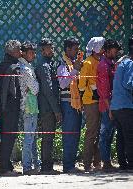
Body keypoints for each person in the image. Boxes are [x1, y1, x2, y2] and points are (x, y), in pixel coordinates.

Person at [57, 36, 83, 173]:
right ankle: (67, 165)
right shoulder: (63, 63)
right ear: (67, 49)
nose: (77, 51)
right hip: (68, 104)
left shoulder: (73, 62)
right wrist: (75, 71)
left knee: (75, 134)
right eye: (75, 49)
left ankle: (71, 163)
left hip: (76, 103)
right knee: (69, 134)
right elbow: (63, 83)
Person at [78, 37, 105, 172]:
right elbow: (82, 83)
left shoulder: (99, 61)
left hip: (100, 101)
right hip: (90, 102)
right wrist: (83, 97)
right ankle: (87, 163)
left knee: (99, 133)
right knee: (91, 132)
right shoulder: (88, 63)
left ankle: (97, 162)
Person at [35, 38, 62, 174]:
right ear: (43, 50)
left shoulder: (48, 64)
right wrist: (56, 110)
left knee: (49, 136)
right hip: (47, 108)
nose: (52, 50)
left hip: (48, 107)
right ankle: (46, 167)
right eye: (49, 48)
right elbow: (48, 90)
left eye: (52, 47)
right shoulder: (44, 66)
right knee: (47, 137)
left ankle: (47, 166)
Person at [0, 40, 22, 176]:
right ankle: (4, 168)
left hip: (9, 106)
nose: (21, 52)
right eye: (18, 50)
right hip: (8, 107)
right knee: (7, 137)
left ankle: (8, 165)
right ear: (12, 51)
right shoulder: (9, 66)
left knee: (11, 136)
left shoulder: (10, 64)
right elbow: (10, 90)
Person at [97, 39, 121, 171]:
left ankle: (107, 161)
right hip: (107, 105)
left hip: (113, 103)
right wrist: (110, 108)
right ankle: (105, 162)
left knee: (110, 133)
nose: (116, 51)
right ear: (107, 50)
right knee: (105, 133)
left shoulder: (111, 63)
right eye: (114, 49)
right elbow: (104, 90)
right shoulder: (103, 65)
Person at [110, 37, 133, 172]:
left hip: (116, 106)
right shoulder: (130, 64)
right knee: (130, 135)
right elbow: (128, 83)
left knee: (121, 136)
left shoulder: (122, 63)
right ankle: (131, 164)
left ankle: (122, 164)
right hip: (126, 105)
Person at [18, 41, 40, 175]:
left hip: (31, 105)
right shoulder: (25, 69)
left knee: (32, 138)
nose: (34, 55)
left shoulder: (27, 66)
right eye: (31, 52)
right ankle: (27, 166)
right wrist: (35, 85)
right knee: (29, 138)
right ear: (24, 53)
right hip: (28, 106)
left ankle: (35, 164)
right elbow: (36, 89)